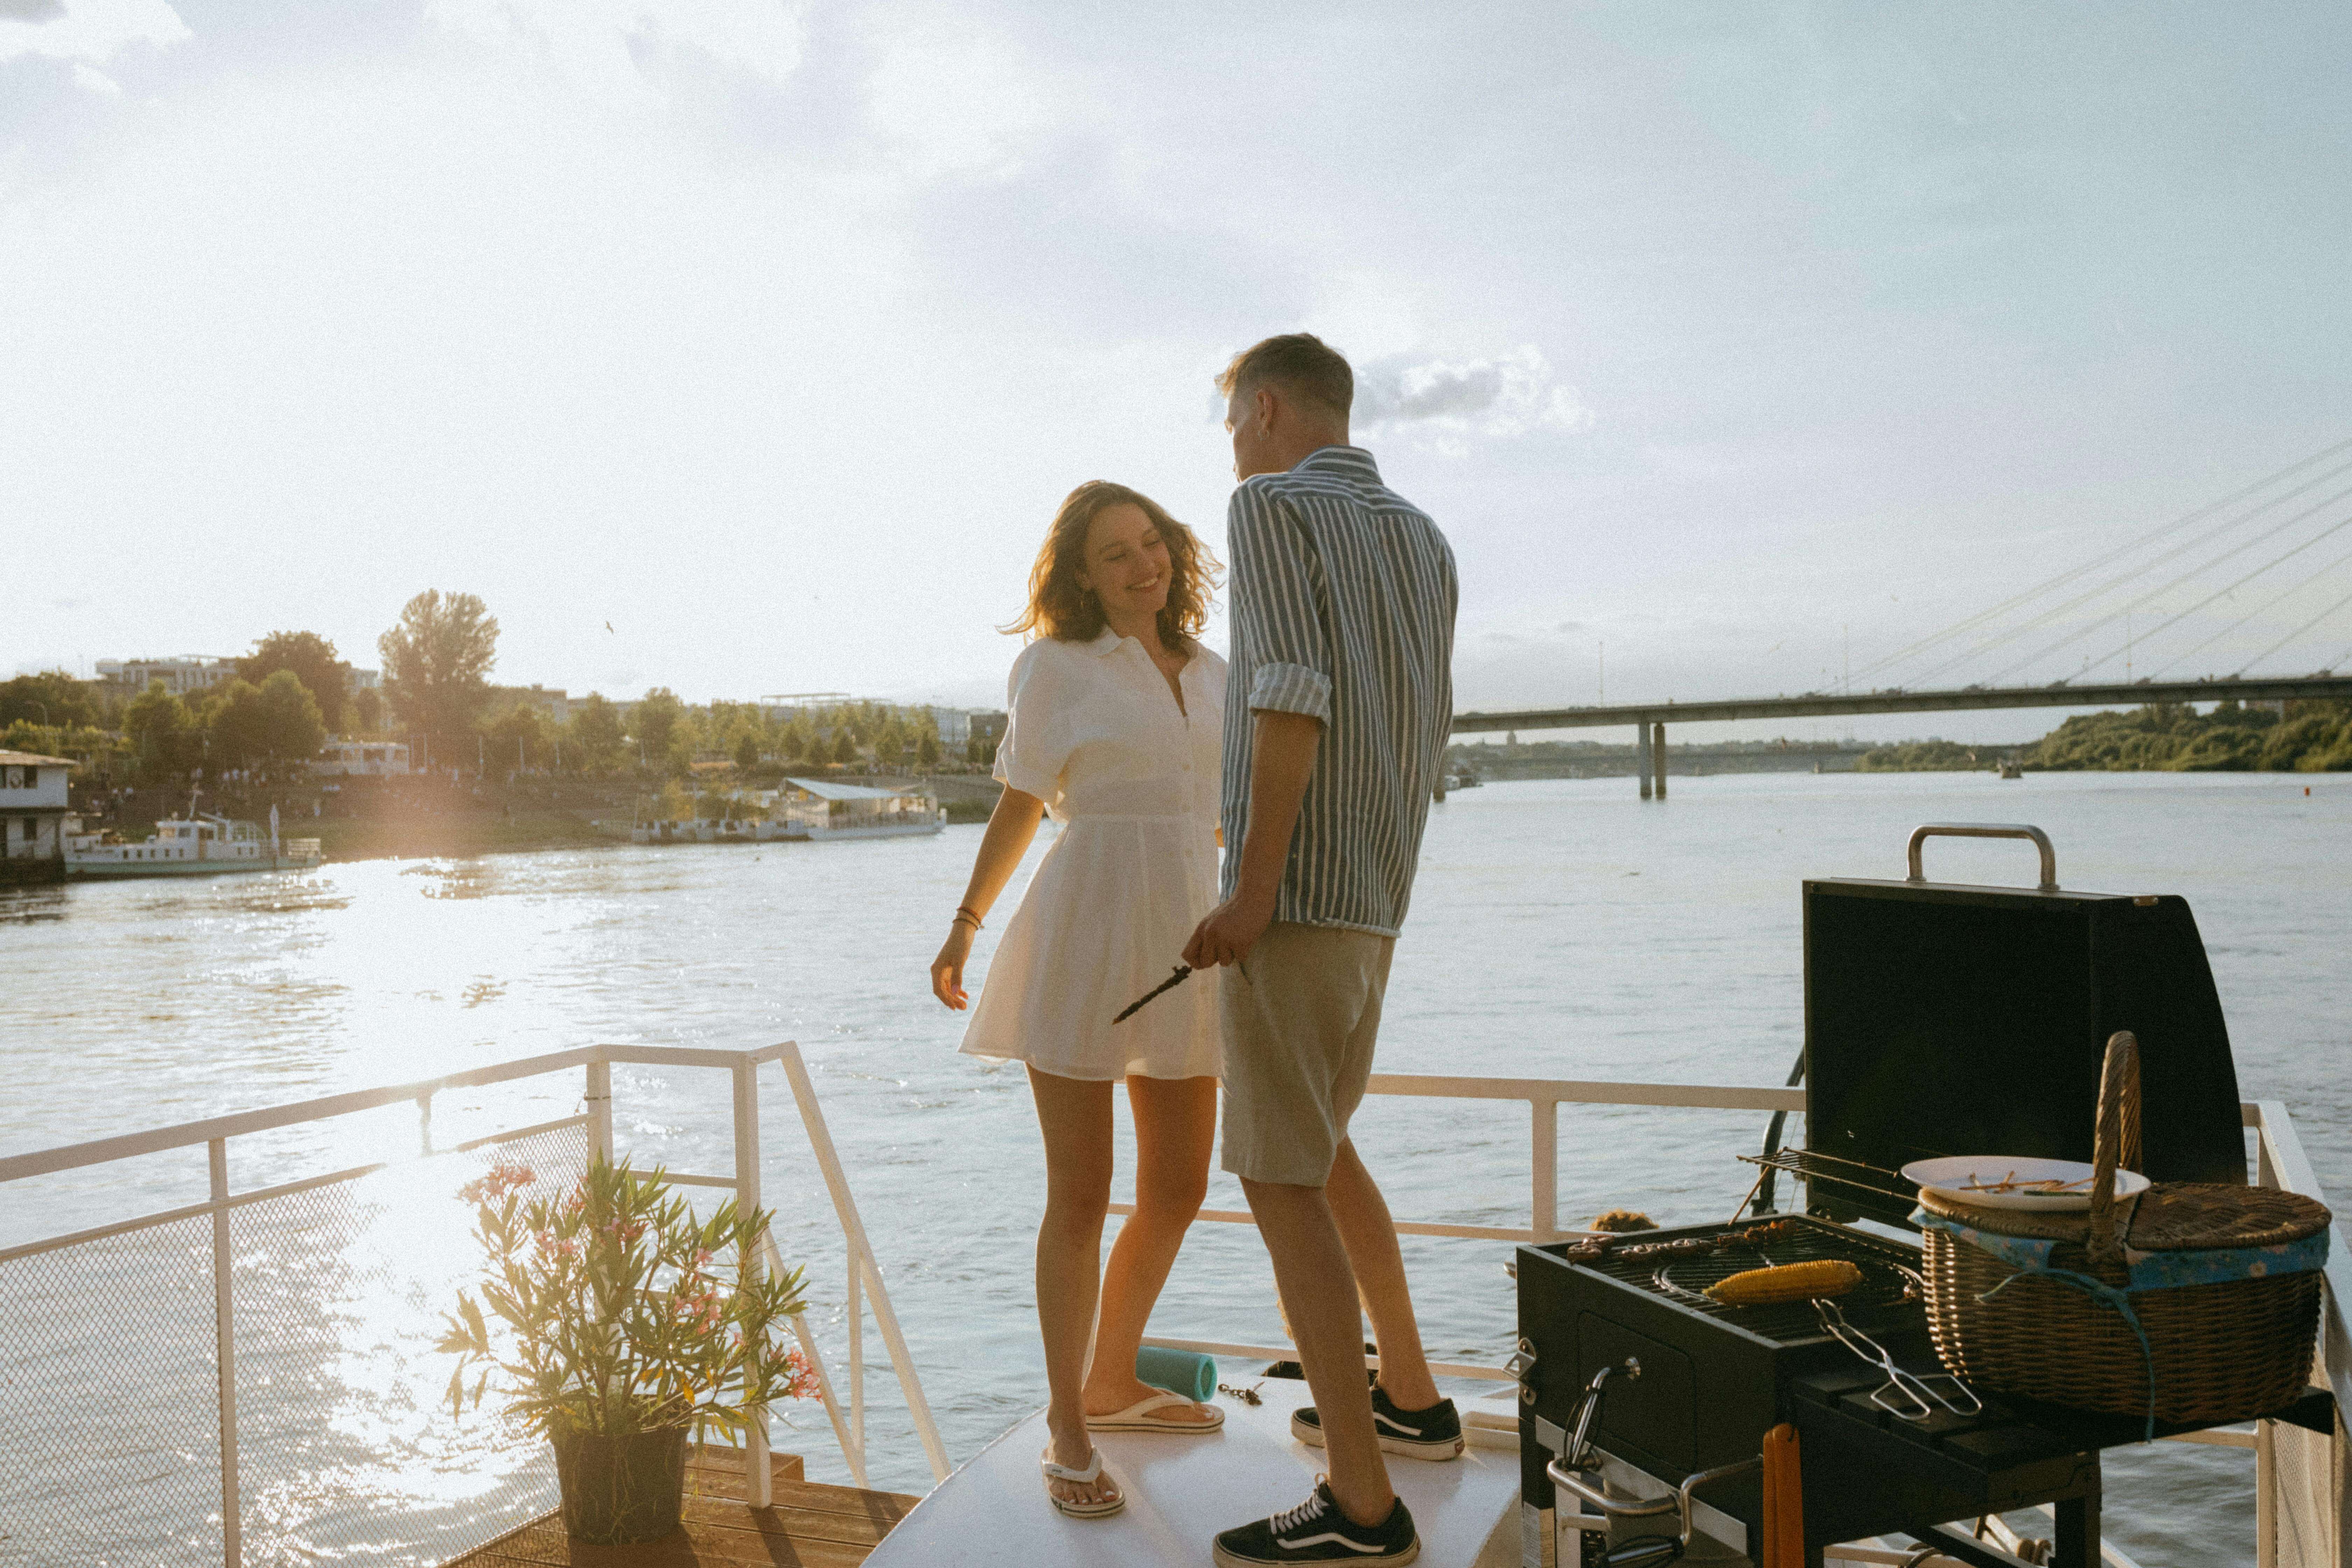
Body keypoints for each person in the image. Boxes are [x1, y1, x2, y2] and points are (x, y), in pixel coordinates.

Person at [1183, 334, 1460, 1567]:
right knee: (1321, 1144)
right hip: (1379, 896)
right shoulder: (1425, 537)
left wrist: (1250, 889)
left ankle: (1360, 1504)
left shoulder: (1270, 504)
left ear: (1265, 405)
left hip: (1297, 899)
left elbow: (1287, 693)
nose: (1232, 443)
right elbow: (1422, 724)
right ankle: (1411, 1401)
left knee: (1282, 1176)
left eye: (1233, 420)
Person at [931, 480, 1230, 1521]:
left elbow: (1218, 814)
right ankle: (1069, 1420)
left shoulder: (1215, 671)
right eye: (1116, 555)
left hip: (1192, 946)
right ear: (1082, 576)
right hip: (1087, 935)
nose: (1143, 565)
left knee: (1182, 1183)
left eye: (1151, 544)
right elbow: (1022, 799)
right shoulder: (1054, 666)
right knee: (1080, 1193)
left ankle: (1114, 1379)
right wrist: (967, 922)